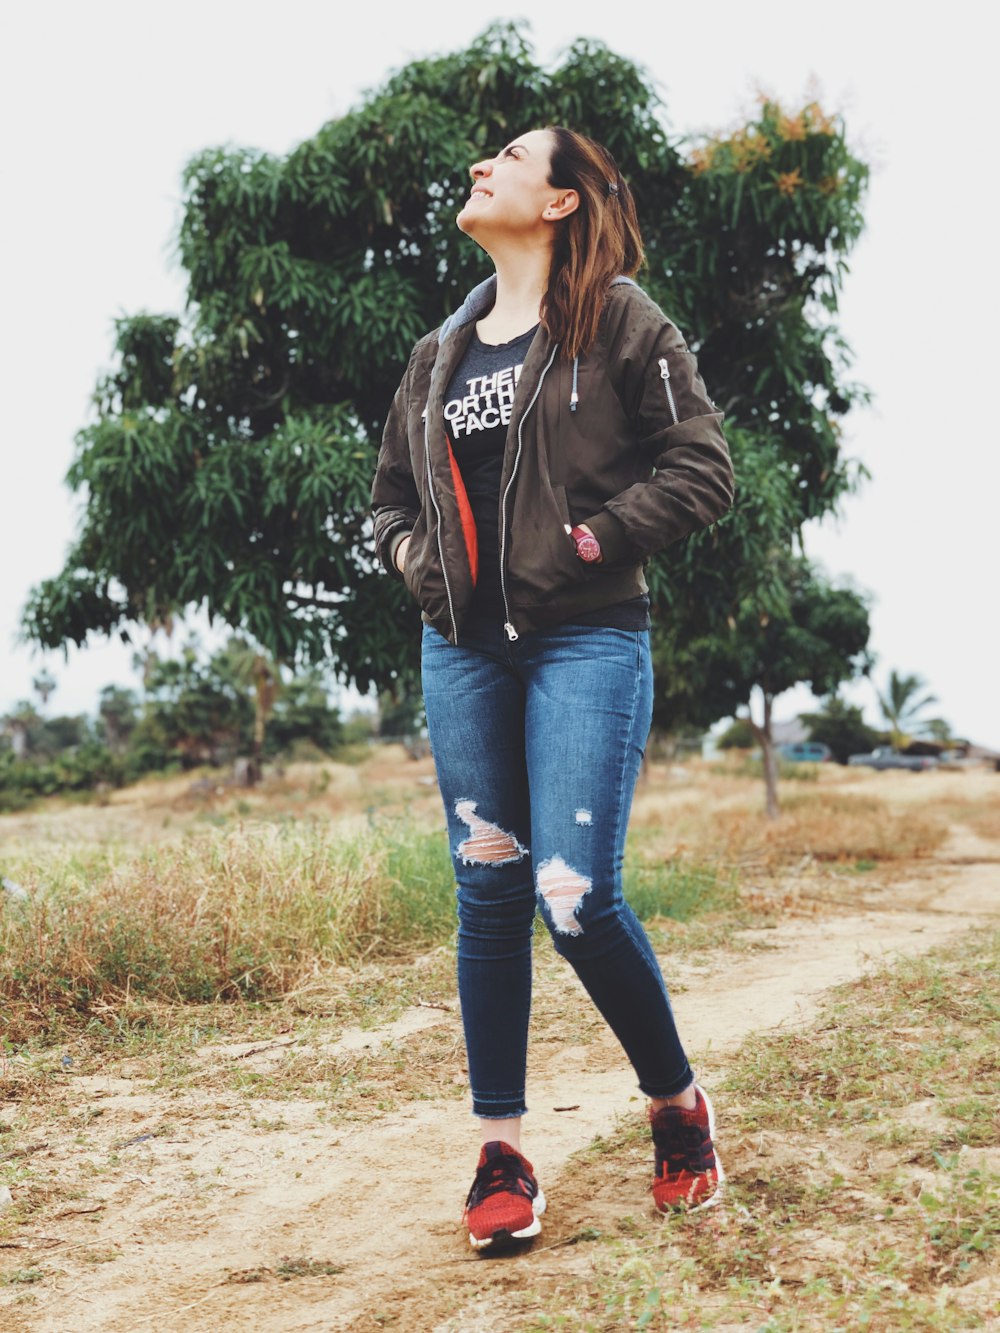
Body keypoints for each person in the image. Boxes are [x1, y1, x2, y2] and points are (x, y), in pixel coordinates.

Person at [371, 126, 734, 1250]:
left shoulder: (621, 322)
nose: (482, 165)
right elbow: (387, 498)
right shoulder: (439, 352)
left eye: (511, 157)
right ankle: (503, 1152)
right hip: (465, 647)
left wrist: (597, 538)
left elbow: (703, 465)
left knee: (573, 895)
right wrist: (411, 562)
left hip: (585, 640)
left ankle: (675, 1108)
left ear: (563, 201)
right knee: (487, 889)